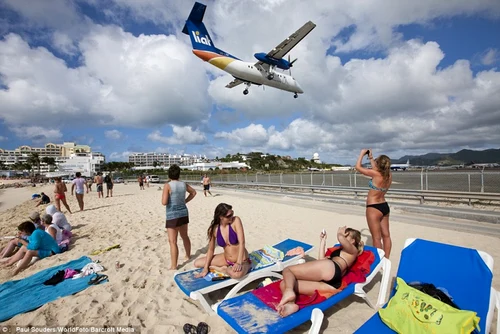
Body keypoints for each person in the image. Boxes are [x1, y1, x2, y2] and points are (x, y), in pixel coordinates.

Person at [276, 226, 364, 317]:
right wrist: (323, 241)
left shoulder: (353, 251)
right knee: (285, 283)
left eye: (346, 236)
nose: (343, 236)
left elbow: (340, 239)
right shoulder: (341, 251)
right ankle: (291, 304)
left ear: (353, 241)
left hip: (332, 269)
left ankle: (289, 291)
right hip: (330, 283)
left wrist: (340, 233)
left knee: (288, 270)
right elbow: (321, 260)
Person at [194, 203, 251, 279]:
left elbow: (242, 243)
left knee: (236, 275)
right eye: (228, 216)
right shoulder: (214, 229)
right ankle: (226, 268)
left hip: (242, 259)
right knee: (197, 263)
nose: (231, 217)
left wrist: (239, 263)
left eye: (232, 214)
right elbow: (211, 249)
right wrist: (205, 268)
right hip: (226, 259)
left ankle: (223, 270)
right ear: (221, 217)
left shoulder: (236, 221)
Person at [355, 149, 392, 258]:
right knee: (386, 235)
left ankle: (378, 261)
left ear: (378, 164)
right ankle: (386, 259)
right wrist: (371, 158)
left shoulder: (375, 174)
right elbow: (376, 169)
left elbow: (358, 167)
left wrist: (361, 153)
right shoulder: (388, 176)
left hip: (373, 207)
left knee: (376, 237)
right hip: (384, 206)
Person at [161, 164, 196, 270]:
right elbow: (193, 192)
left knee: (172, 241)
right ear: (179, 174)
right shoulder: (183, 184)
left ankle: (173, 266)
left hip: (172, 215)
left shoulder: (168, 185)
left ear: (169, 174)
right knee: (185, 236)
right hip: (183, 213)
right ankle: (188, 255)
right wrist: (185, 201)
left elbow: (164, 202)